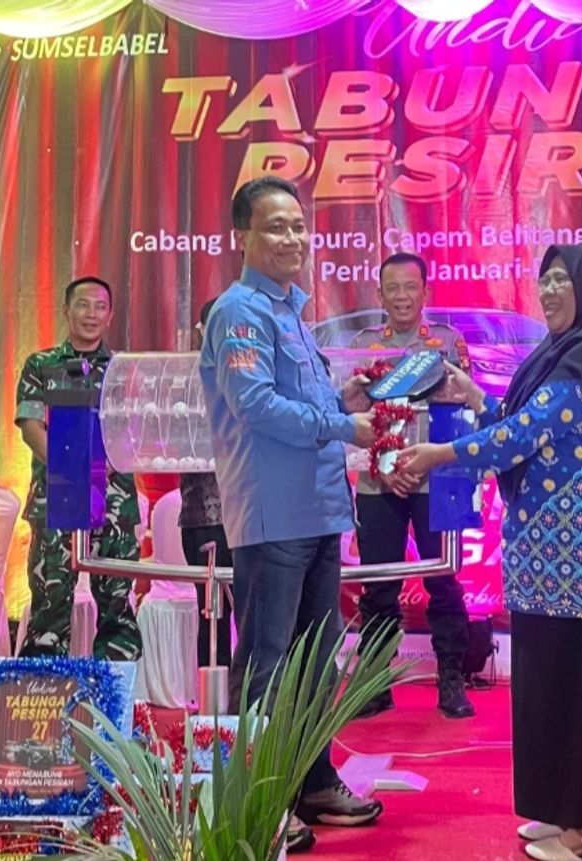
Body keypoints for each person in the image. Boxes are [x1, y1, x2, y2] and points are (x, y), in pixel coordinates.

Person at [399, 245, 582, 861]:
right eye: (545, 279)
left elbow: (525, 433)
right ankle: (567, 808)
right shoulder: (561, 351)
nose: (550, 290)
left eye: (563, 279)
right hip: (547, 550)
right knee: (551, 677)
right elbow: (523, 421)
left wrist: (442, 455)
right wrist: (474, 397)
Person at [199, 177, 380, 843]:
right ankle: (257, 801)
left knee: (316, 661)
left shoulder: (290, 313)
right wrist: (341, 426)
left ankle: (313, 782)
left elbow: (300, 402)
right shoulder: (238, 313)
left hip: (320, 511)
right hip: (272, 516)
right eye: (275, 226)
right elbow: (256, 406)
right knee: (267, 663)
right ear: (241, 237)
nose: (291, 238)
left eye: (298, 226)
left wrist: (345, 401)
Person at [350, 251, 475, 720]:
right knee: (378, 586)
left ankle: (451, 678)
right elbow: (351, 413)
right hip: (377, 481)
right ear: (379, 295)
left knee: (444, 580)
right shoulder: (363, 345)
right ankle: (376, 681)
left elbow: (463, 406)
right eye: (392, 288)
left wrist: (423, 464)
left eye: (410, 287)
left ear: (426, 292)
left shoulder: (448, 342)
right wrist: (386, 465)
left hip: (436, 481)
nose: (402, 296)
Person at [15, 276, 142, 660]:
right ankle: (43, 691)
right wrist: (70, 471)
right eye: (83, 305)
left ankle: (113, 690)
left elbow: (134, 430)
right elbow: (30, 426)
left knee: (117, 608)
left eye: (100, 307)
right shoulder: (41, 364)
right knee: (49, 608)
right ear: (66, 310)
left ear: (110, 315)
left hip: (114, 502)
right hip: (56, 496)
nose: (91, 314)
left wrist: (99, 470)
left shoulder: (123, 369)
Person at [179, 298, 233, 670]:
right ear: (201, 331)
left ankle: (257, 696)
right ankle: (214, 696)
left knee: (259, 615)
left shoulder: (260, 370)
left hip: (257, 514)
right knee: (211, 615)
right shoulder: (183, 377)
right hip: (205, 515)